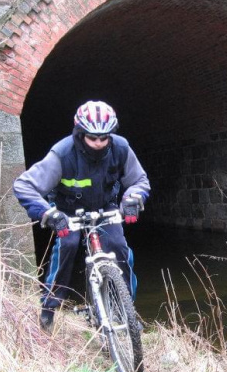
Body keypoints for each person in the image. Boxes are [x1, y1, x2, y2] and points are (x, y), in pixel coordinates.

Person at [13, 100, 151, 334]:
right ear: (80, 134)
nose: (98, 143)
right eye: (92, 138)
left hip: (105, 207)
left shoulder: (120, 148)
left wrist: (132, 199)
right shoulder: (63, 153)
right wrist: (48, 213)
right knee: (67, 246)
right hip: (68, 211)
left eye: (104, 138)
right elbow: (24, 185)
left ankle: (127, 310)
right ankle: (49, 309)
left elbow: (139, 181)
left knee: (119, 247)